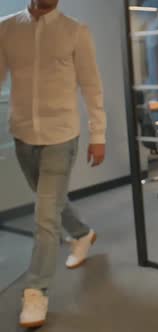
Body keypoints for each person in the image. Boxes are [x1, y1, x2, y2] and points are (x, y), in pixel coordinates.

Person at [0, 0, 106, 328]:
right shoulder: (6, 27)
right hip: (22, 133)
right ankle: (83, 233)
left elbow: (91, 86)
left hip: (61, 136)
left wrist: (97, 135)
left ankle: (36, 291)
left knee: (44, 216)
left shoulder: (75, 31)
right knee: (51, 203)